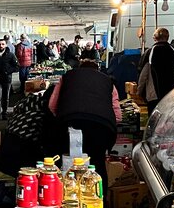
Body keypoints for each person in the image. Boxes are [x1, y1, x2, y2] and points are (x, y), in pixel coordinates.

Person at [47, 59, 121, 195]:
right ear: (97, 70)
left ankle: (67, 201)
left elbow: (52, 105)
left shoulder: (67, 77)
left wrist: (66, 116)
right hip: (100, 126)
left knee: (68, 163)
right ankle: (99, 204)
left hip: (69, 123)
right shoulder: (107, 81)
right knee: (97, 165)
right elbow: (117, 114)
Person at [138, 27, 174, 114]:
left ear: (155, 38)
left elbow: (143, 74)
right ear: (167, 37)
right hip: (171, 94)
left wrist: (139, 91)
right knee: (167, 118)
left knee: (154, 118)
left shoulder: (150, 52)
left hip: (154, 94)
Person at [0, 38, 19, 121]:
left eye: (2, 44)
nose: (1, 46)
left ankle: (4, 113)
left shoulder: (11, 55)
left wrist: (7, 72)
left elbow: (16, 66)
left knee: (6, 97)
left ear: (6, 45)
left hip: (6, 79)